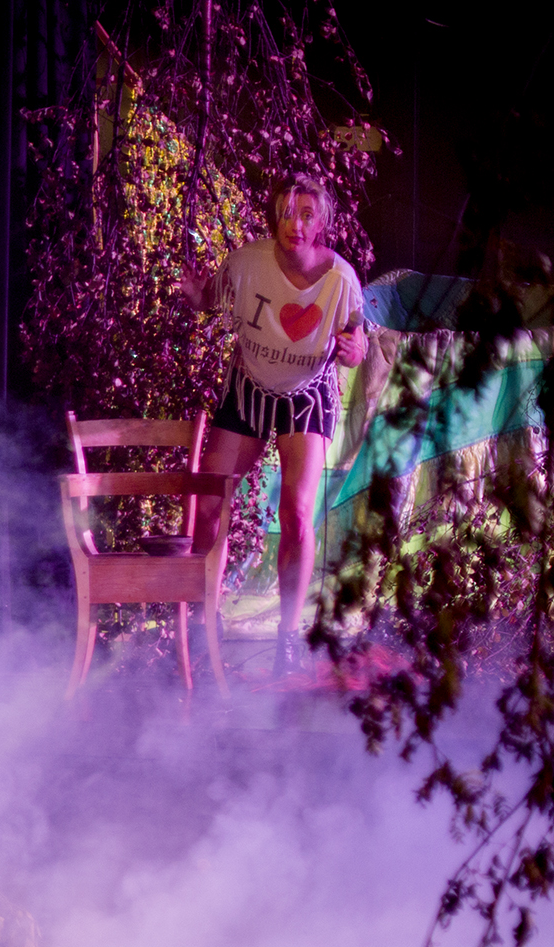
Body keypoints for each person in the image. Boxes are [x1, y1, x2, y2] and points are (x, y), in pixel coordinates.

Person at [178, 171, 369, 676]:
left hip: (306, 398)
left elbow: (357, 342)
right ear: (274, 217)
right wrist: (194, 295)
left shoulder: (341, 279)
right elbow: (208, 300)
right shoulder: (247, 262)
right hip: (249, 390)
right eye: (287, 213)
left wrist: (354, 350)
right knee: (208, 502)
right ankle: (204, 619)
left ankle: (287, 636)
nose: (295, 225)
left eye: (306, 215)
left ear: (321, 223)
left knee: (298, 515)